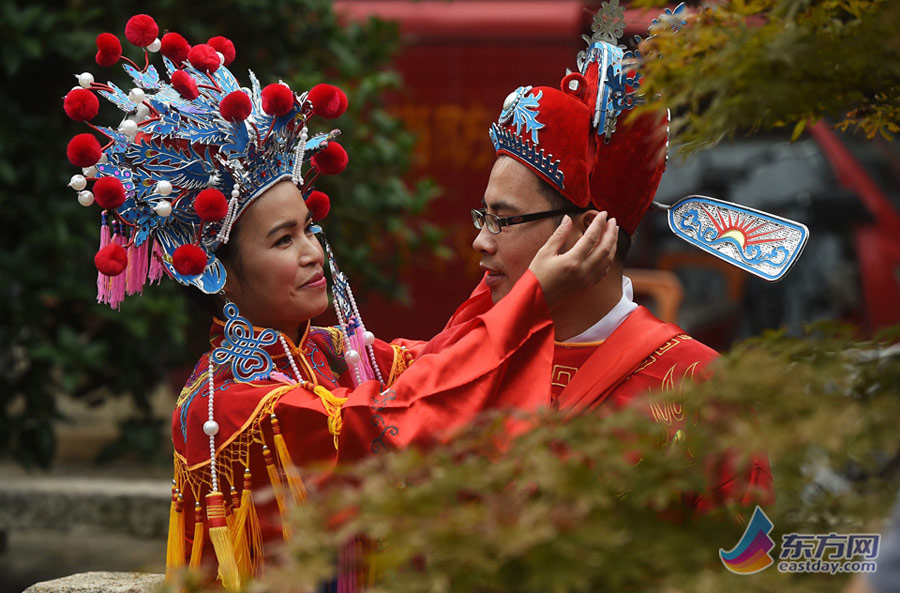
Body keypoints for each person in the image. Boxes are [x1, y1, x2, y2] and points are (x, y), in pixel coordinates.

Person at [62, 13, 618, 590]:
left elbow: (446, 359)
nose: (311, 253)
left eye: (308, 230)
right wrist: (531, 295)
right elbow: (391, 422)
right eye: (283, 240)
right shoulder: (232, 402)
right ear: (217, 274)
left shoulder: (325, 353)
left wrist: (520, 257)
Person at [444, 3, 773, 513]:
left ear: (586, 233)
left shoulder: (702, 392)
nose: (480, 242)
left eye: (502, 220)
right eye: (482, 216)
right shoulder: (467, 358)